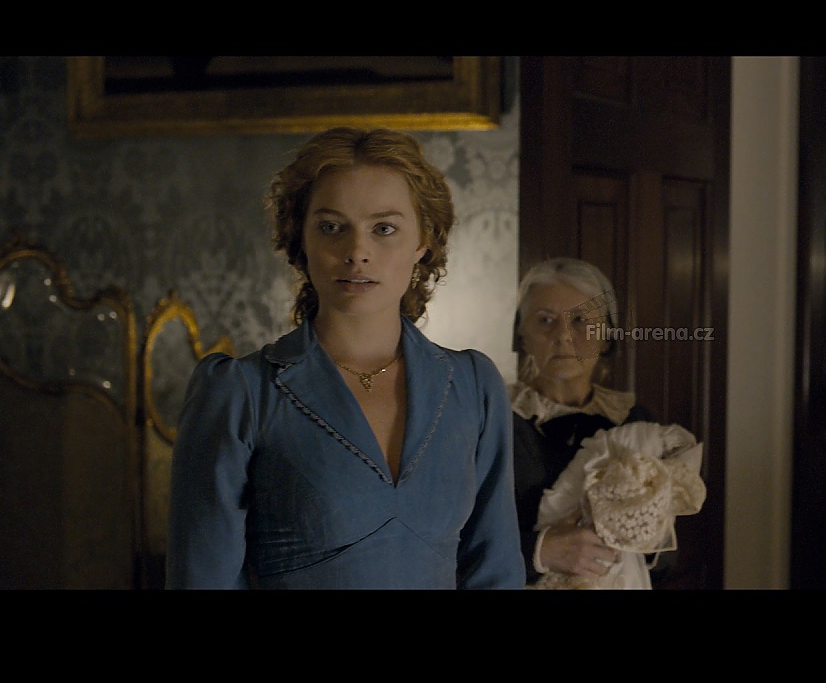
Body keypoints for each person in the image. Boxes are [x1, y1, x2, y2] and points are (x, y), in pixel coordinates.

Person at [166, 127, 524, 589]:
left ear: (423, 240)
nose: (357, 252)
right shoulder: (242, 391)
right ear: (301, 237)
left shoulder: (472, 385)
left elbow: (496, 570)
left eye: (384, 229)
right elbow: (202, 579)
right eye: (332, 227)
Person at [508, 257, 704, 589]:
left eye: (581, 320)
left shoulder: (637, 424)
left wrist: (636, 532)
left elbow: (665, 558)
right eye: (545, 320)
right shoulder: (493, 420)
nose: (563, 336)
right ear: (522, 336)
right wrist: (539, 551)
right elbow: (453, 541)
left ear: (607, 336)